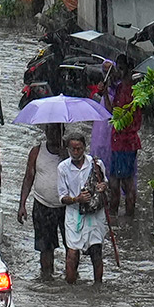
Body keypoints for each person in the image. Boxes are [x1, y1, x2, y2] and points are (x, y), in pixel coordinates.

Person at [57, 133, 108, 285]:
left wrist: (103, 186)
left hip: (95, 215)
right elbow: (62, 197)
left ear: (84, 148)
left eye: (79, 148)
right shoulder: (63, 168)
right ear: (68, 149)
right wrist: (77, 199)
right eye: (72, 149)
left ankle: (98, 287)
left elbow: (105, 183)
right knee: (72, 253)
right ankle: (70, 288)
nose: (76, 152)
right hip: (74, 215)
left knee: (96, 252)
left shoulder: (96, 164)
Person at [17, 123, 66, 278]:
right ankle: (47, 279)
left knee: (72, 246)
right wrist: (22, 204)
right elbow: (28, 178)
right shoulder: (37, 152)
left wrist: (67, 156)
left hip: (68, 206)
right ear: (45, 132)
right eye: (50, 131)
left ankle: (72, 278)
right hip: (42, 205)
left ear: (62, 132)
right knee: (45, 248)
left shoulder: (70, 152)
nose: (53, 135)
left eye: (57, 131)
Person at [103, 54, 142, 219]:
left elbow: (118, 116)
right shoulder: (122, 88)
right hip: (121, 142)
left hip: (124, 142)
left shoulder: (129, 91)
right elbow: (112, 112)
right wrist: (105, 93)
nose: (117, 71)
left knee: (120, 181)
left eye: (119, 67)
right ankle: (126, 216)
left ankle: (118, 214)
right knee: (123, 180)